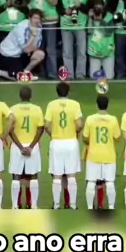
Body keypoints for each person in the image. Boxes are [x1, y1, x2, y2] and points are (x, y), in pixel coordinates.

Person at [45, 81, 83, 210]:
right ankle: (72, 205)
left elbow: (47, 126)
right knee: (71, 175)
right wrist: (74, 131)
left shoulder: (51, 105)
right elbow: (79, 125)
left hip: (56, 142)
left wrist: (54, 133)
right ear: (68, 92)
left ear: (57, 92)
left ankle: (56, 205)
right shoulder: (75, 104)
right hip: (71, 142)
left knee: (57, 175)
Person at [8, 85, 45, 210]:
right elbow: (40, 129)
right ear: (31, 96)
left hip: (17, 146)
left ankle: (15, 205)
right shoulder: (37, 109)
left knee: (16, 175)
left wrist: (20, 147)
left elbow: (10, 130)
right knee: (33, 175)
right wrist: (31, 146)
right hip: (32, 146)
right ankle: (33, 205)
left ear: (20, 96)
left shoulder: (12, 109)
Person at [82, 94, 121, 209]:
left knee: (91, 182)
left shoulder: (90, 119)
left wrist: (92, 140)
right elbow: (117, 138)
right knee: (110, 182)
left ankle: (90, 207)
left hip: (93, 155)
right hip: (109, 155)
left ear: (97, 105)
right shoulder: (113, 120)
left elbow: (85, 138)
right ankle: (111, 207)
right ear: (108, 105)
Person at [0, 10, 45, 80]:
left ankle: (25, 74)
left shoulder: (39, 26)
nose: (37, 21)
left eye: (39, 19)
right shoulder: (22, 27)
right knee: (16, 78)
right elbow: (26, 49)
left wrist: (30, 48)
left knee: (40, 54)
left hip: (21, 53)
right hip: (8, 53)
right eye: (35, 18)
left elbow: (37, 45)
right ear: (29, 18)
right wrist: (33, 35)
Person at [58, 0, 91, 79]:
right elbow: (58, 8)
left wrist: (80, 6)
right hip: (66, 25)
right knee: (67, 52)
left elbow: (89, 9)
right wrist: (64, 11)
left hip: (80, 25)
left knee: (81, 52)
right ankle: (69, 74)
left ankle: (80, 74)